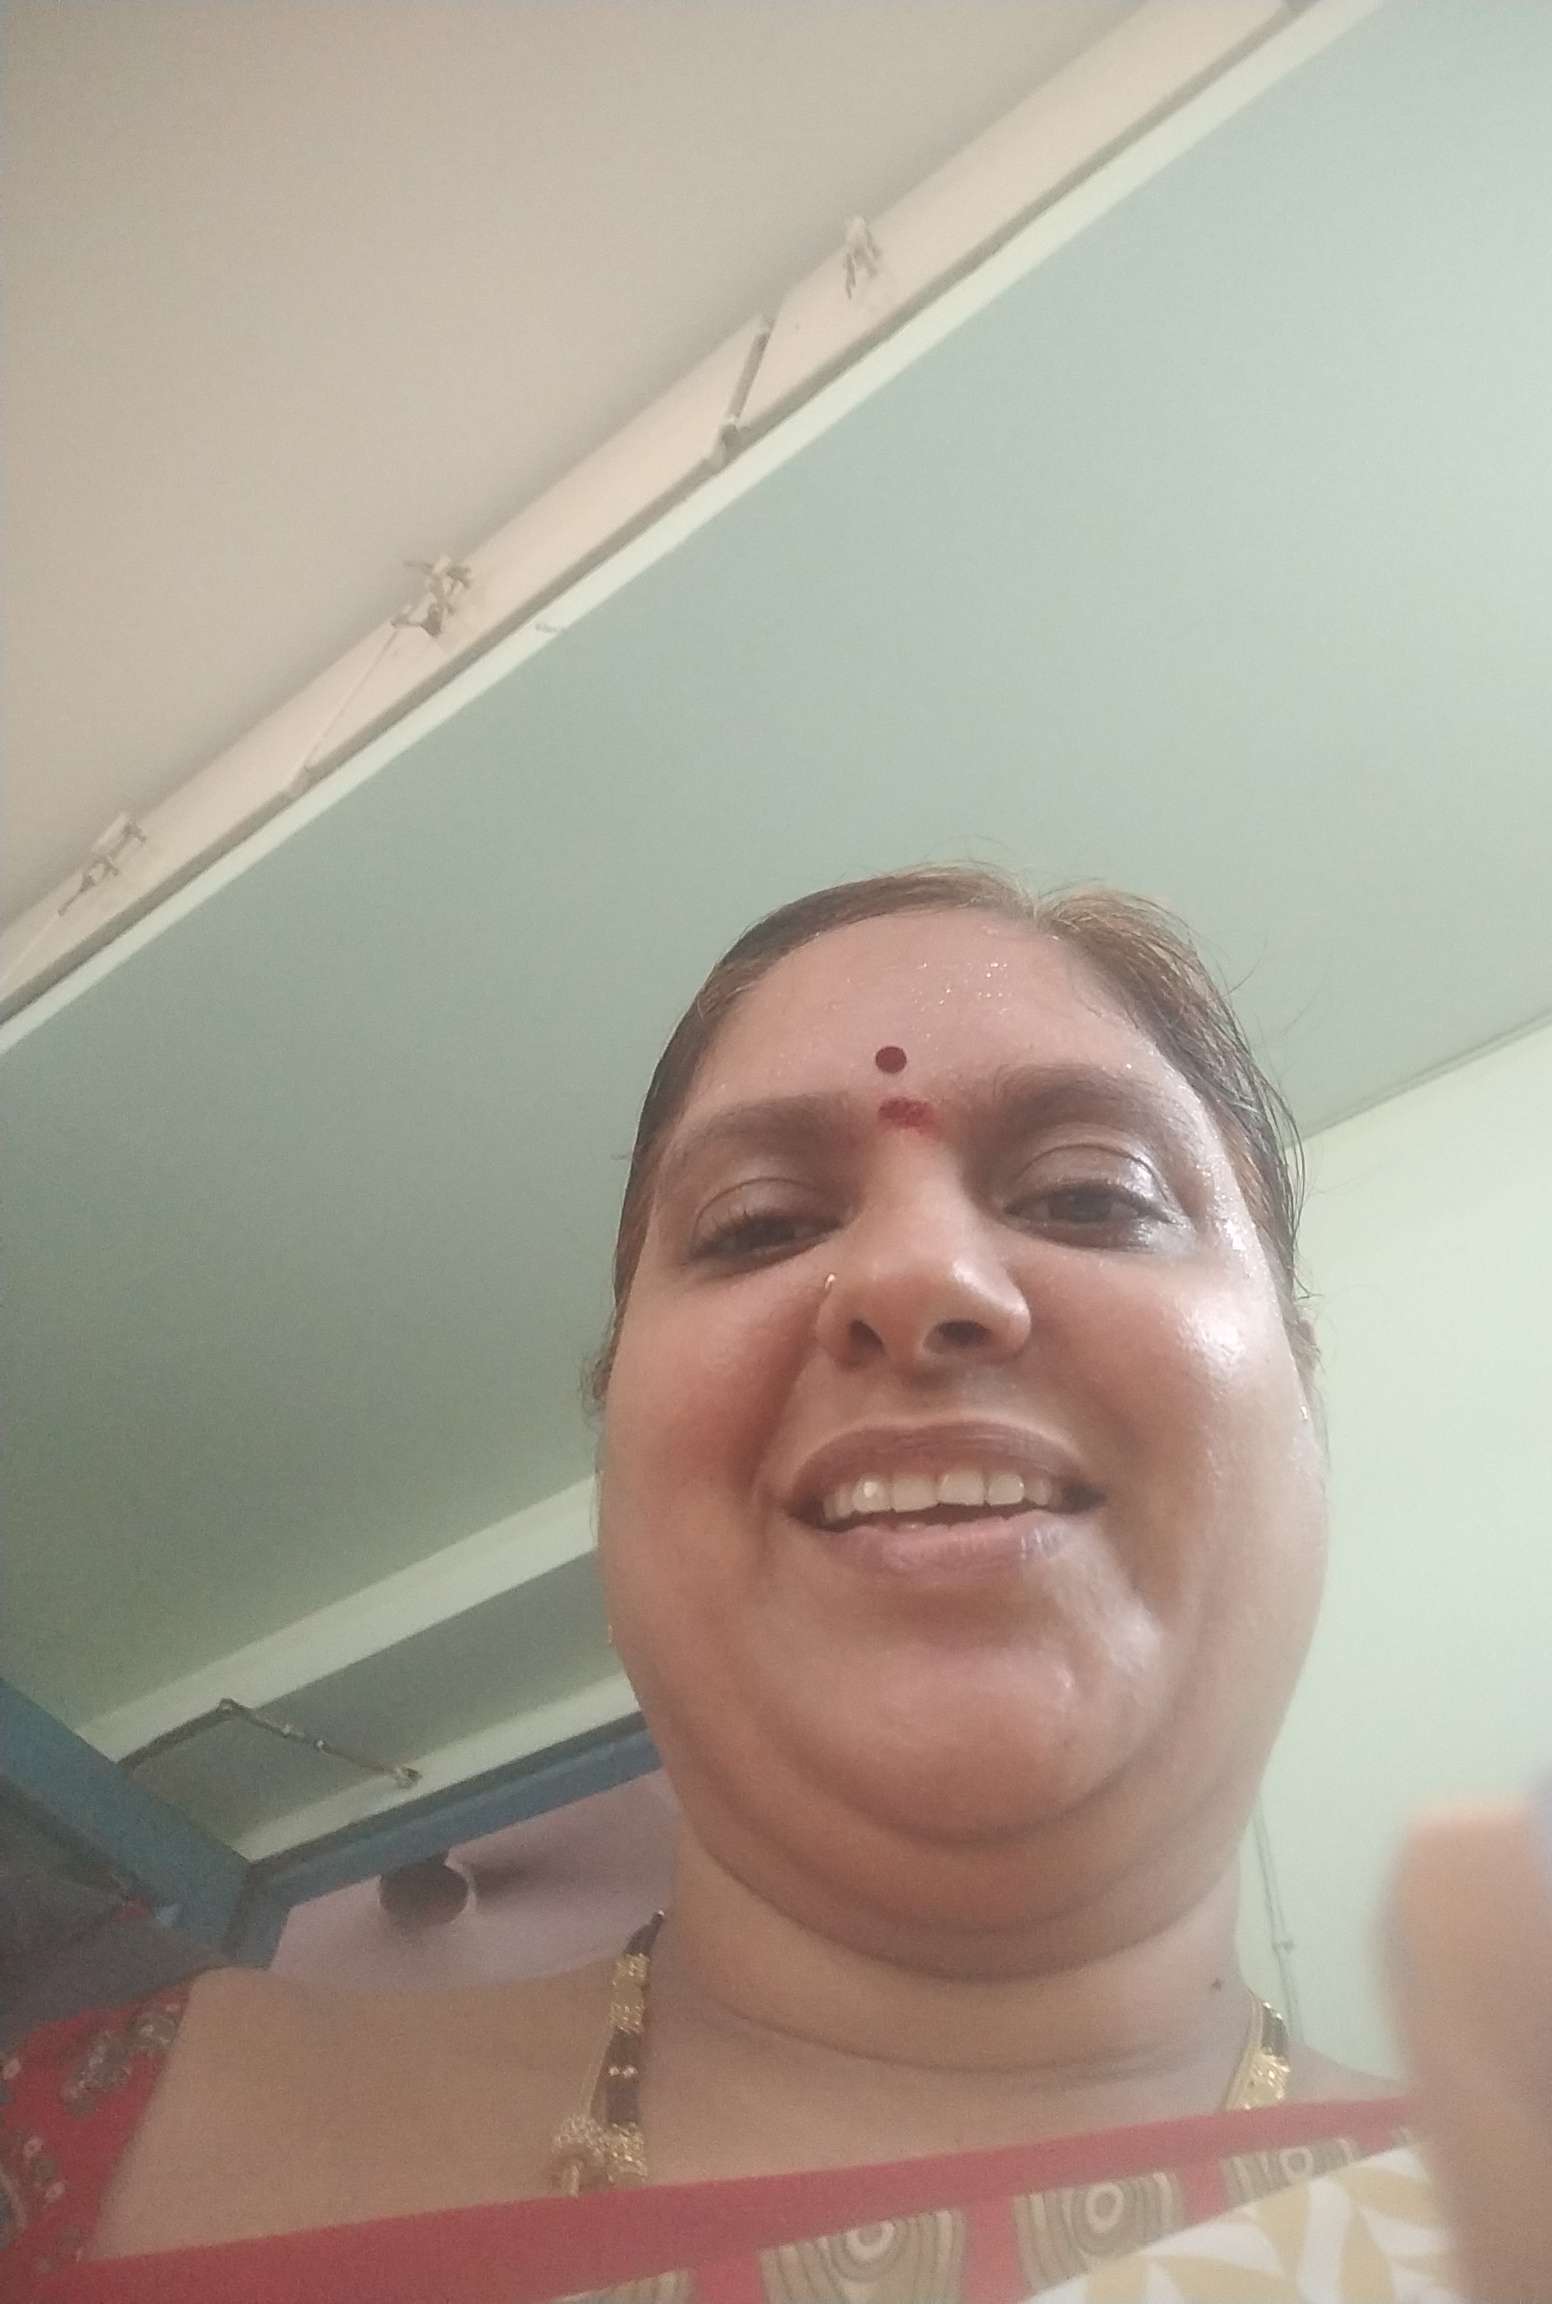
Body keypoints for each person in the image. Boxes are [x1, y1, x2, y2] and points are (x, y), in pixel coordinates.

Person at [1, 868, 1451, 2303]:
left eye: (1091, 1195)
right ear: (614, 1435)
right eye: (759, 1224)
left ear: (1302, 1386)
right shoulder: (67, 2112)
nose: (918, 1274)